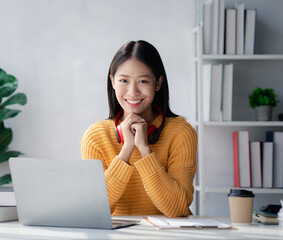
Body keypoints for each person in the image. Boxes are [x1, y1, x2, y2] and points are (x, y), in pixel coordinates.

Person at [81, 40, 197, 217]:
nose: (133, 92)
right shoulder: (95, 136)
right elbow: (93, 209)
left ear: (158, 83)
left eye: (143, 81)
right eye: (123, 81)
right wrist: (127, 150)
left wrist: (144, 150)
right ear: (112, 82)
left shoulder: (181, 132)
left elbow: (177, 209)